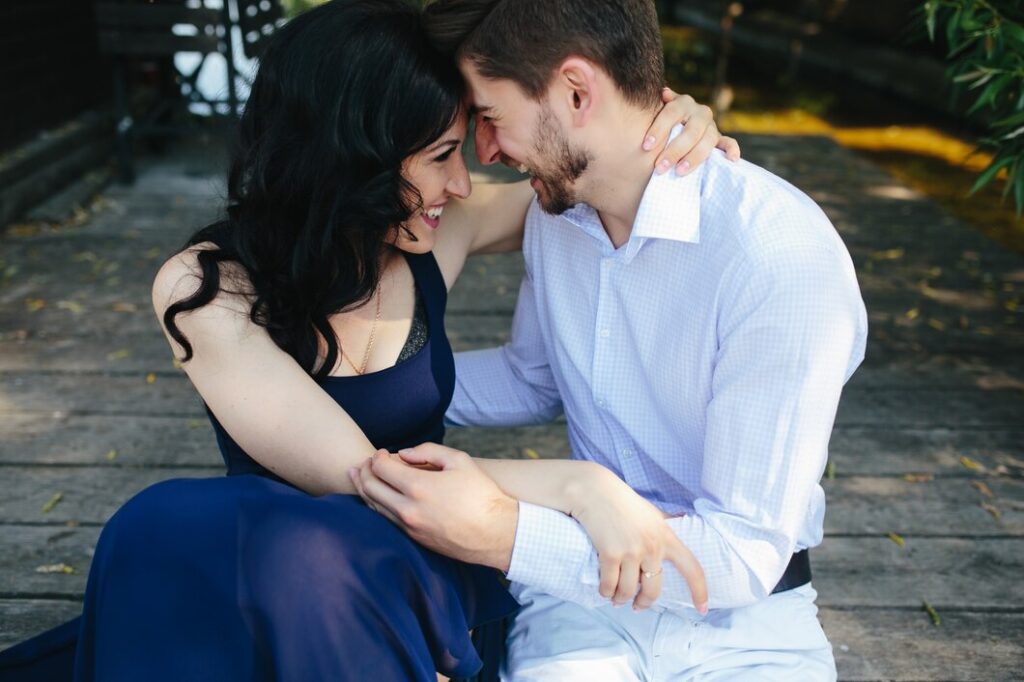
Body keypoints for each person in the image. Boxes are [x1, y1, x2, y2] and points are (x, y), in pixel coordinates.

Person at [0, 1, 737, 680]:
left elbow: (585, 175)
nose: (462, 182)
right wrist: (581, 485)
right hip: (275, 567)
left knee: (217, 541)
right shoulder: (205, 289)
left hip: (422, 573)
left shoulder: (434, 239)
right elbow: (373, 479)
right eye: (441, 154)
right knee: (166, 528)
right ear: (354, 155)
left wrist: (664, 126)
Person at [348, 0, 870, 679]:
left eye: (489, 116)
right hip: (581, 607)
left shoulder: (777, 256)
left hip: (749, 621)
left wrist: (504, 533)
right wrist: (365, 394)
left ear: (575, 90)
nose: (485, 153)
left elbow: (742, 553)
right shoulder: (557, 213)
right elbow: (534, 379)